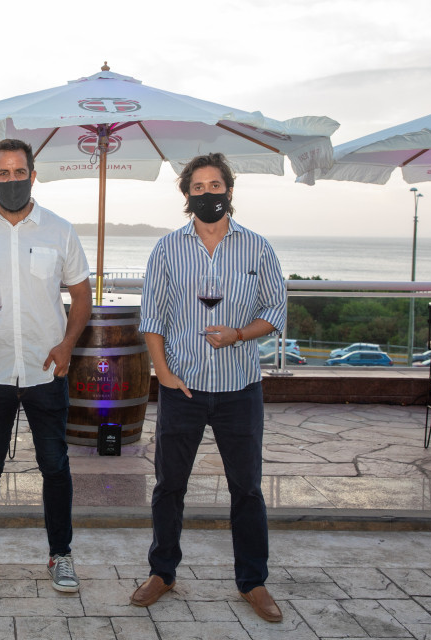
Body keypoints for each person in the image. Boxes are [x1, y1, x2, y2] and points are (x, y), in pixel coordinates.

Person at [131, 153, 287, 622]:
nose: (206, 194)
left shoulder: (257, 248)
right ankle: (162, 572)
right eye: (197, 187)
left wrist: (238, 334)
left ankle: (253, 582)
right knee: (169, 486)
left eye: (214, 185)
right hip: (183, 389)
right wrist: (163, 373)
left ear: (229, 191)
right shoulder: (167, 250)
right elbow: (152, 318)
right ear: (186, 195)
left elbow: (275, 311)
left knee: (248, 489)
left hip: (240, 388)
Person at [0, 139, 92, 593]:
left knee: (55, 466)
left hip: (47, 369)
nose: (13, 180)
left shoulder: (60, 230)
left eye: (19, 172)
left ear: (33, 174)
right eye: (4, 174)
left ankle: (61, 554)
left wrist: (68, 344)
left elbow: (82, 296)